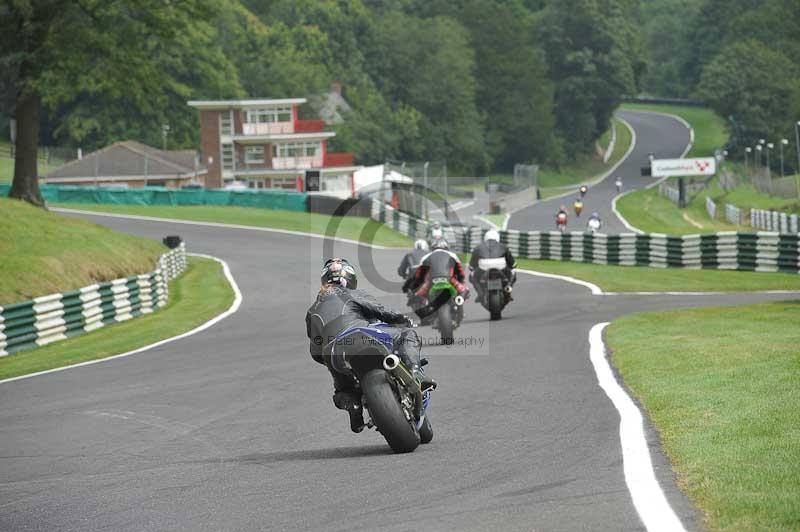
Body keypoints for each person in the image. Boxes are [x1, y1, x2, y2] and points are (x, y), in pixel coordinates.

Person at [306, 258, 435, 433]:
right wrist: (402, 319)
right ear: (350, 277)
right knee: (406, 335)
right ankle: (416, 374)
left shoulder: (313, 310)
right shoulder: (349, 293)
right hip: (362, 337)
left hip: (334, 353)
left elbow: (316, 349)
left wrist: (329, 357)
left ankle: (354, 405)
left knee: (343, 390)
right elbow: (381, 311)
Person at [469, 229, 516, 304]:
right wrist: (513, 266)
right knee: (513, 273)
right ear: (497, 237)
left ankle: (480, 293)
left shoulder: (478, 247)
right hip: (500, 267)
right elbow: (511, 262)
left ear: (485, 238)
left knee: (472, 276)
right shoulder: (503, 246)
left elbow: (472, 264)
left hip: (484, 267)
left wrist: (472, 268)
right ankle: (508, 288)